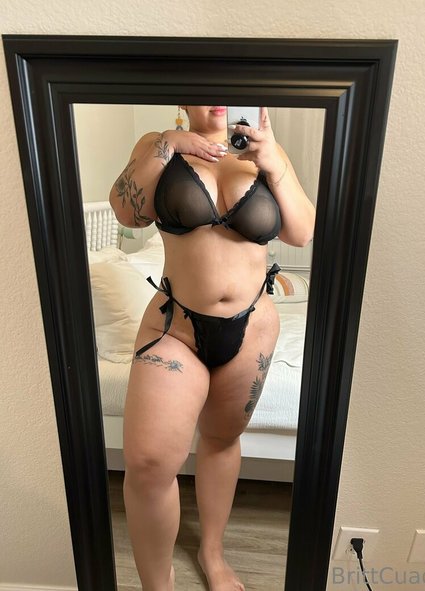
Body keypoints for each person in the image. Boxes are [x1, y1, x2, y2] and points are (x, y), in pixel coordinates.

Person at [109, 105, 315, 591]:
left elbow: (302, 232)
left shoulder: (267, 152)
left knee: (222, 440)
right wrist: (170, 145)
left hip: (251, 330)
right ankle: (158, 583)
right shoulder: (155, 144)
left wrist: (272, 160)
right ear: (182, 100)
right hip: (175, 327)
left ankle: (212, 553)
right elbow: (126, 212)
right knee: (148, 465)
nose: (217, 97)